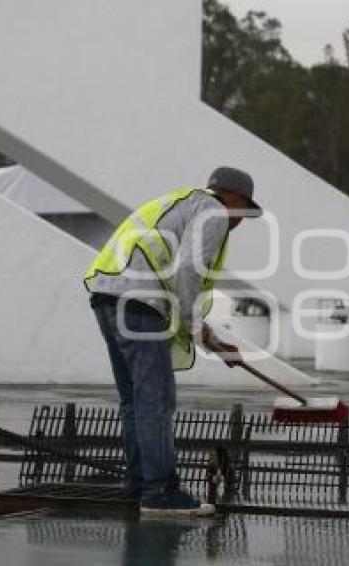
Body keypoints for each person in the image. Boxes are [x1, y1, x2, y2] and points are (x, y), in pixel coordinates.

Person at [84, 166, 262, 515]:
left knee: (134, 400)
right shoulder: (214, 212)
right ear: (236, 199)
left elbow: (176, 285)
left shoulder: (181, 203)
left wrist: (211, 340)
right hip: (138, 302)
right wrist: (196, 327)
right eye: (244, 212)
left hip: (107, 296)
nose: (241, 222)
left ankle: (138, 484)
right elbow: (189, 270)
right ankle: (160, 491)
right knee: (155, 399)